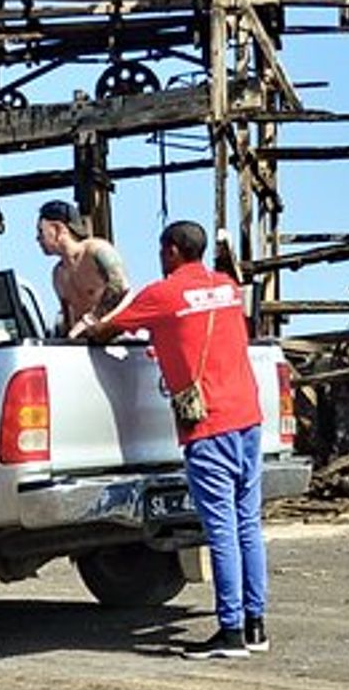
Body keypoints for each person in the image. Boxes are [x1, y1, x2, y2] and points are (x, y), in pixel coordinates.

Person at [92, 220, 269, 660]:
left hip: (207, 426)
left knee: (221, 530)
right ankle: (255, 625)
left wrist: (89, 327)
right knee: (248, 525)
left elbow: (108, 330)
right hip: (248, 418)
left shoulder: (163, 294)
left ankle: (229, 632)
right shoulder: (227, 286)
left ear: (171, 250)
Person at [35, 199, 130, 338]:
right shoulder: (58, 275)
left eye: (41, 231)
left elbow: (120, 288)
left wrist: (90, 320)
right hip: (86, 345)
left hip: (120, 342)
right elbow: (68, 318)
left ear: (58, 229)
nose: (38, 238)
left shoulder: (97, 251)